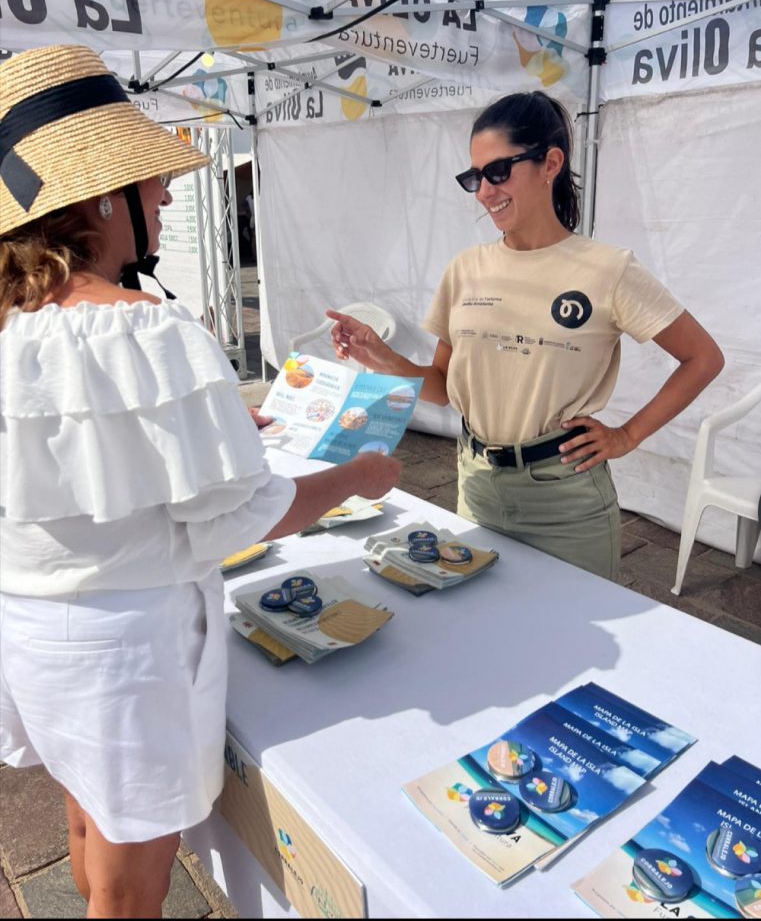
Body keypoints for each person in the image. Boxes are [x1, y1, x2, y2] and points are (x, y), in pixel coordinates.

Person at [0, 45, 401, 919]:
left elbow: (67, 460)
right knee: (131, 879)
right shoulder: (143, 329)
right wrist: (358, 476)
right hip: (125, 652)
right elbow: (243, 519)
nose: (168, 197)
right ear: (101, 199)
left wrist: (202, 436)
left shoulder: (15, 322)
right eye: (152, 183)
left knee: (85, 818)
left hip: (33, 630)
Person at [327, 90, 724, 581]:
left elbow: (703, 358)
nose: (484, 192)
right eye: (474, 177)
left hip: (565, 500)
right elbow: (444, 388)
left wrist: (627, 436)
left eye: (498, 171)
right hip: (477, 488)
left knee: (573, 622)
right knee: (484, 622)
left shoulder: (608, 269)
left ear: (550, 163)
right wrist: (380, 356)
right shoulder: (465, 270)